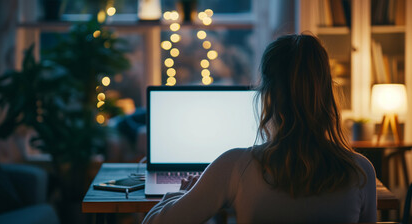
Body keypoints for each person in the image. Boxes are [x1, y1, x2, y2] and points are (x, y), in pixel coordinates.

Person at [142, 34, 377, 223]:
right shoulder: (361, 171)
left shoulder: (235, 166)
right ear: (327, 94)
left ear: (268, 97)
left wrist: (182, 194)